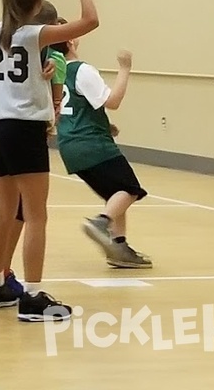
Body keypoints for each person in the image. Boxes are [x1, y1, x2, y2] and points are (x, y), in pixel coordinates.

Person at [0, 0, 97, 322]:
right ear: (38, 2)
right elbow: (90, 20)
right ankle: (33, 295)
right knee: (36, 214)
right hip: (24, 129)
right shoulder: (34, 35)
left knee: (5, 210)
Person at [57, 42, 150, 267]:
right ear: (69, 41)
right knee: (130, 190)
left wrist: (105, 126)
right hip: (91, 144)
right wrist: (125, 68)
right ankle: (102, 223)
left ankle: (119, 247)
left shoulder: (55, 73)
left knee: (115, 193)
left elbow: (74, 108)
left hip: (69, 144)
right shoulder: (81, 69)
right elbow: (113, 101)